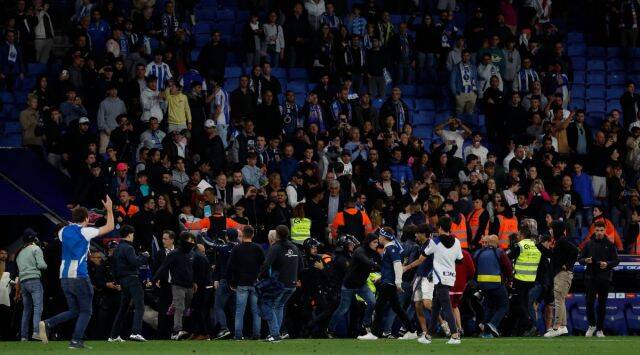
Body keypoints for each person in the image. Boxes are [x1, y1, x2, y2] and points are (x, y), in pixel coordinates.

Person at [39, 196, 115, 349]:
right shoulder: (85, 231)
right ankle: (76, 341)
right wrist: (109, 209)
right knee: (86, 311)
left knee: (74, 310)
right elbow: (110, 227)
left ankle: (48, 323)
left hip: (64, 277)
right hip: (79, 275)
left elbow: (69, 232)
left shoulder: (63, 231)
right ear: (87, 218)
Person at [327, 233, 379, 339]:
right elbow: (366, 262)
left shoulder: (372, 252)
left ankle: (366, 325)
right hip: (349, 285)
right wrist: (377, 266)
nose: (376, 244)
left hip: (361, 284)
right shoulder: (359, 251)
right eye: (374, 242)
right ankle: (330, 329)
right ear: (369, 242)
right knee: (343, 309)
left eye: (377, 242)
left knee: (372, 302)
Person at [259, 225, 304, 342]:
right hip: (292, 284)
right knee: (279, 306)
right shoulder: (295, 247)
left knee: (268, 305)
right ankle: (276, 333)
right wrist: (296, 278)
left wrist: (259, 277)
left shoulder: (275, 247)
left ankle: (274, 334)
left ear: (277, 235)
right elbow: (302, 266)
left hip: (279, 283)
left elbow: (266, 265)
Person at [423, 216, 463, 345]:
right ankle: (428, 335)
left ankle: (455, 335)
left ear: (439, 228)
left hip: (439, 277)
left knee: (446, 307)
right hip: (450, 276)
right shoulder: (457, 241)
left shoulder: (435, 241)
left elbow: (425, 254)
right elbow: (460, 260)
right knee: (436, 306)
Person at [372, 227, 417, 340]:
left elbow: (397, 265)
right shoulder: (390, 248)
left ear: (384, 237)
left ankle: (374, 334)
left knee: (379, 307)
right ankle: (411, 331)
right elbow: (390, 267)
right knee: (397, 308)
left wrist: (398, 282)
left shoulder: (391, 248)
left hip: (389, 283)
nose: (379, 238)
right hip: (388, 281)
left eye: (380, 236)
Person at [152, 232, 197, 340]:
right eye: (190, 241)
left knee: (185, 309)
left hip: (189, 286)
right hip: (177, 285)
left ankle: (179, 330)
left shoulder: (191, 254)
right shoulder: (174, 253)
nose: (192, 243)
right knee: (179, 308)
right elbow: (163, 267)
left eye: (192, 241)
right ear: (184, 241)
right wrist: (155, 279)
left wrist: (194, 282)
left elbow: (191, 270)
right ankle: (177, 331)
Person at [108, 225, 149, 342]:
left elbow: (113, 267)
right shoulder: (128, 248)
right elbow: (135, 262)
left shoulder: (118, 248)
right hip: (132, 279)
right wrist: (144, 256)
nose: (133, 236)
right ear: (130, 234)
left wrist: (117, 281)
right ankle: (136, 332)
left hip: (123, 281)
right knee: (140, 305)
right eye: (133, 234)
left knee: (123, 308)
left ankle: (113, 336)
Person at [579, 221, 620, 337]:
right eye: (597, 230)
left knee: (602, 304)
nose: (599, 233)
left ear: (605, 230)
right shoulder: (588, 244)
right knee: (589, 303)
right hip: (590, 278)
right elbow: (580, 259)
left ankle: (600, 329)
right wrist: (585, 261)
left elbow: (616, 261)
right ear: (594, 230)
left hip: (604, 278)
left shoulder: (610, 245)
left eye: (601, 230)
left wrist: (607, 264)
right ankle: (592, 325)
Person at [227, 226, 264, 340]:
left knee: (240, 311)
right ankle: (256, 334)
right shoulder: (258, 248)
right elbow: (265, 265)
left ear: (242, 234)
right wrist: (260, 278)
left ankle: (238, 335)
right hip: (255, 283)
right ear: (252, 235)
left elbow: (230, 267)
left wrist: (232, 282)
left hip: (241, 283)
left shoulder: (237, 249)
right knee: (256, 311)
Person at [544, 221, 579, 338]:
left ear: (557, 229)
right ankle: (563, 326)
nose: (550, 231)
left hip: (563, 274)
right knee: (561, 300)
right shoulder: (560, 241)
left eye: (552, 229)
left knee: (558, 300)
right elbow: (555, 256)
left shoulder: (562, 241)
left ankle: (556, 327)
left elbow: (575, 251)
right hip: (561, 274)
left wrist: (568, 265)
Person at [473, 235, 512, 338]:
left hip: (482, 286)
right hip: (496, 284)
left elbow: (474, 269)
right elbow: (508, 267)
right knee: (504, 306)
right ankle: (492, 324)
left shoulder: (478, 253)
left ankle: (486, 333)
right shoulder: (499, 252)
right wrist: (509, 279)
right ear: (496, 242)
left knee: (489, 307)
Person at [16, 229, 47, 342]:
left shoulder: (19, 252)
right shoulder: (36, 248)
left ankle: (23, 336)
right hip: (34, 279)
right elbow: (42, 265)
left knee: (26, 310)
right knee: (38, 307)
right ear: (33, 238)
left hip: (23, 282)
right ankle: (36, 332)